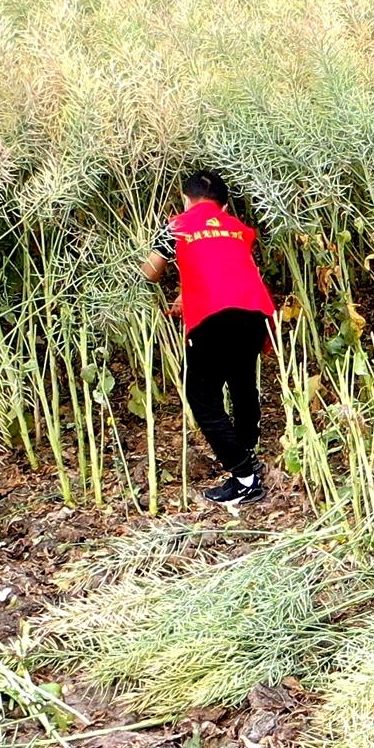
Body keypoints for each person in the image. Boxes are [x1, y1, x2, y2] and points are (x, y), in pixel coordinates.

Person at [138, 169, 275, 504]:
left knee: (202, 397)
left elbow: (150, 272)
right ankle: (248, 456)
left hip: (214, 318)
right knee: (242, 385)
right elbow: (225, 267)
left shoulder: (178, 226)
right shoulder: (237, 229)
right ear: (224, 206)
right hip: (254, 312)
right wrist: (188, 294)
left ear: (186, 199)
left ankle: (245, 477)